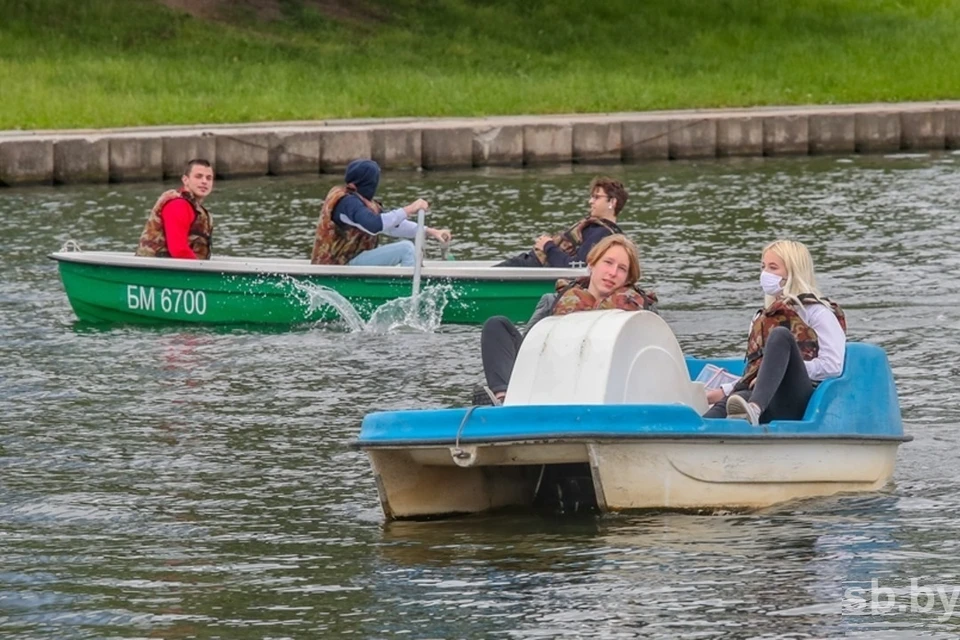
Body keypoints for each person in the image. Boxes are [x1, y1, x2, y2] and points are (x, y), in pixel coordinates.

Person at [476, 234, 659, 405]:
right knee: (496, 325)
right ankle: (505, 401)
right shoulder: (552, 301)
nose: (612, 272)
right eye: (608, 263)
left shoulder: (640, 313)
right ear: (592, 264)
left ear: (628, 278)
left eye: (621, 269)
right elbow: (528, 350)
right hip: (552, 377)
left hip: (605, 385)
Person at [704, 239, 847, 425]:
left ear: (794, 272)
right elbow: (755, 370)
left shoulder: (818, 313)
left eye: (773, 268)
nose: (765, 273)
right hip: (763, 394)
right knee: (725, 406)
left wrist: (776, 373)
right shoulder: (761, 318)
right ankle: (687, 437)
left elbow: (832, 367)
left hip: (797, 398)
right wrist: (722, 391)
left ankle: (755, 409)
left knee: (780, 335)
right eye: (763, 267)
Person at [311, 159, 451, 266]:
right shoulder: (347, 203)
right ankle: (410, 297)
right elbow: (374, 225)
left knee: (407, 249)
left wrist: (430, 231)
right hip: (336, 267)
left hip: (349, 261)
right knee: (406, 249)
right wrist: (410, 208)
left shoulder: (364, 202)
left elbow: (392, 226)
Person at [495, 176, 628, 268]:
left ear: (612, 202)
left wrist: (548, 245)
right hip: (529, 262)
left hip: (535, 267)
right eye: (591, 197)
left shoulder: (602, 233)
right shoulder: (599, 229)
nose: (590, 201)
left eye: (596, 197)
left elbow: (576, 265)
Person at [135, 158, 214, 259]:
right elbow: (179, 250)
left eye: (209, 178)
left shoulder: (192, 206)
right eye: (198, 177)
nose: (204, 181)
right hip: (158, 269)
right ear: (185, 180)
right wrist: (201, 272)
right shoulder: (178, 205)